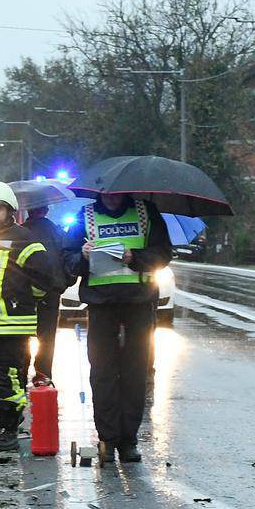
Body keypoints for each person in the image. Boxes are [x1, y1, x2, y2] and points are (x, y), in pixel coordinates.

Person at [61, 192, 173, 463]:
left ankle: (129, 440)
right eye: (107, 195)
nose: (111, 199)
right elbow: (67, 260)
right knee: (103, 371)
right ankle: (107, 440)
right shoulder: (84, 216)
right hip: (101, 305)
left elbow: (163, 255)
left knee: (135, 371)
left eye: (117, 194)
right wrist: (83, 257)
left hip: (139, 302)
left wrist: (134, 257)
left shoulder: (146, 213)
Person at [0, 182, 64, 456]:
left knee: (7, 379)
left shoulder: (24, 239)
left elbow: (46, 278)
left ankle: (7, 429)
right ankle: (10, 415)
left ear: (9, 210)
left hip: (13, 323)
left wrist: (23, 298)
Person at [20, 204, 67, 386]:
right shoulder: (57, 232)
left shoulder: (21, 232)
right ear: (46, 210)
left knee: (23, 334)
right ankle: (43, 375)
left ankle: (21, 374)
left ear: (28, 210)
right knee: (47, 336)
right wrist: (63, 283)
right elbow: (67, 258)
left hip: (24, 293)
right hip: (51, 292)